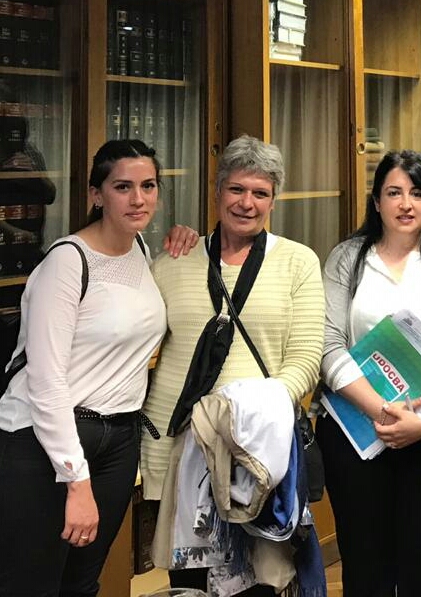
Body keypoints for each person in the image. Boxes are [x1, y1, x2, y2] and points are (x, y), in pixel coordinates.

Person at [141, 135, 326, 595]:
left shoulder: (297, 262)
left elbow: (306, 357)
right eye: (237, 189)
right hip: (182, 456)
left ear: (273, 201)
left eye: (260, 193)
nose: (247, 203)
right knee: (190, 585)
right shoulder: (174, 261)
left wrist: (245, 414)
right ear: (217, 191)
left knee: (263, 582)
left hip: (258, 456)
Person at [0, 139, 166, 596]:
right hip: (45, 442)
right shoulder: (66, 262)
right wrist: (75, 478)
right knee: (32, 585)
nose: (138, 199)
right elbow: (46, 380)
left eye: (148, 186)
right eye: (123, 187)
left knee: (81, 583)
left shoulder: (141, 250)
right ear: (97, 194)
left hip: (119, 438)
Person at [317, 150, 421, 596]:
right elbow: (329, 344)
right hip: (356, 434)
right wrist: (381, 409)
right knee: (366, 570)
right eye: (394, 193)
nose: (406, 204)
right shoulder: (347, 259)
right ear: (376, 201)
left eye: (418, 193)